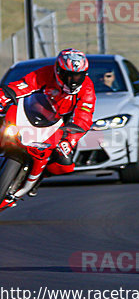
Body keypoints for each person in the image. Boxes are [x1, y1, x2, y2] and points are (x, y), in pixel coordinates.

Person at [0, 49, 96, 200]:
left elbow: (84, 116)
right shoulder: (44, 74)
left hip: (59, 124)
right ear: (57, 70)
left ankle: (38, 178)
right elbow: (22, 86)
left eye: (77, 76)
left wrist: (69, 141)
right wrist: (3, 97)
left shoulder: (87, 88)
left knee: (65, 163)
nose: (72, 80)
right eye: (67, 75)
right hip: (31, 114)